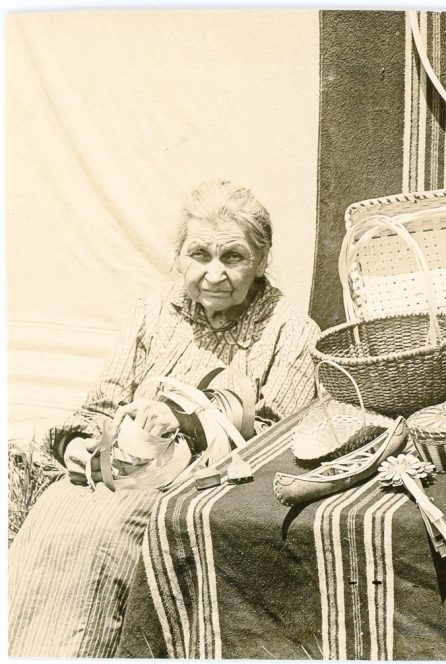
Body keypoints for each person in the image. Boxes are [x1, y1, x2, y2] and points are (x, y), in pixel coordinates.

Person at [8, 180, 321, 657]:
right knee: (54, 512)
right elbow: (104, 402)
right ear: (179, 257)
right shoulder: (154, 312)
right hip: (114, 465)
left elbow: (274, 437)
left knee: (101, 537)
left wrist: (186, 421)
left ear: (261, 261)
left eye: (232, 257)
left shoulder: (290, 330)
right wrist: (76, 444)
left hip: (193, 486)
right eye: (200, 255)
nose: (214, 273)